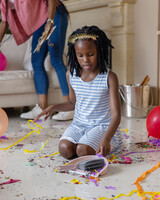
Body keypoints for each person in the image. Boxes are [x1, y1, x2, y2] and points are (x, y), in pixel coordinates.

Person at [0, 0, 74, 121]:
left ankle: (69, 106)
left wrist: (50, 21)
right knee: (36, 61)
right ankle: (41, 108)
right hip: (38, 24)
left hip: (54, 15)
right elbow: (4, 22)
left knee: (55, 58)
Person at [34, 25, 123, 159]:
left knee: (83, 150)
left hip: (101, 127)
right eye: (80, 55)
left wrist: (107, 139)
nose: (85, 60)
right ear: (75, 54)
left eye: (91, 54)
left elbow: (116, 114)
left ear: (100, 51)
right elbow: (72, 103)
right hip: (79, 125)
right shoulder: (71, 74)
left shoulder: (109, 77)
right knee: (65, 149)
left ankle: (88, 144)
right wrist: (53, 107)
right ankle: (84, 143)